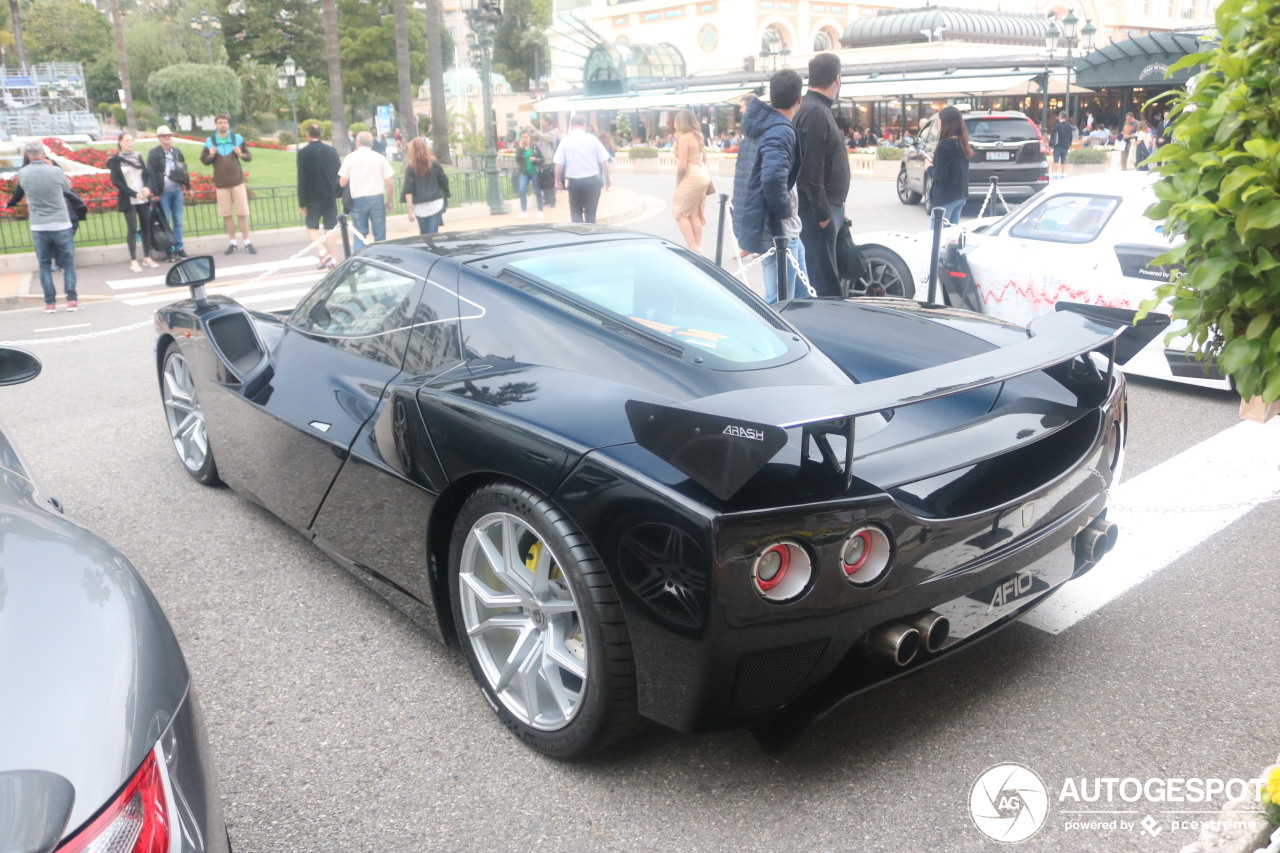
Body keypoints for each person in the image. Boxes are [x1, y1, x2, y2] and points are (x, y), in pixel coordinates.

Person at [732, 68, 807, 304]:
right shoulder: (780, 130)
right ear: (799, 99)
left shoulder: (761, 126)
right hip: (779, 230)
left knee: (801, 296)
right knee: (781, 301)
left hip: (779, 227)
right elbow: (772, 178)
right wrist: (785, 208)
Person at [793, 52, 850, 298]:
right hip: (817, 212)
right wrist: (825, 214)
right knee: (823, 283)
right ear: (837, 79)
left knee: (822, 277)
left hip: (825, 206)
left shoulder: (814, 108)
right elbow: (811, 170)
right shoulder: (815, 111)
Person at [16, 141, 77, 312]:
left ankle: (50, 303)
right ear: (42, 153)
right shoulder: (55, 171)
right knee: (68, 263)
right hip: (60, 222)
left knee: (44, 265)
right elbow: (68, 186)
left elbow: (22, 189)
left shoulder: (23, 173)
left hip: (39, 225)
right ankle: (71, 300)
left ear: (27, 155)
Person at [200, 115, 255, 255]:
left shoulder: (237, 139)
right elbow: (204, 160)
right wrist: (211, 155)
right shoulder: (210, 141)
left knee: (242, 213)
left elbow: (249, 157)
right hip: (221, 184)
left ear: (228, 124)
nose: (222, 125)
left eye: (224, 122)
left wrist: (240, 154)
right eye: (220, 123)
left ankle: (247, 241)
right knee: (227, 214)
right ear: (216, 125)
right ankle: (233, 242)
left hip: (237, 182)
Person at [108, 131, 159, 273]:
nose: (130, 143)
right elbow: (117, 182)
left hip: (142, 196)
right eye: (127, 141)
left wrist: (147, 187)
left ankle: (147, 256)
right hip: (129, 198)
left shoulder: (137, 156)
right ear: (120, 142)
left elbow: (147, 174)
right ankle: (133, 260)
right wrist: (133, 193)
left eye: (131, 140)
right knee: (132, 229)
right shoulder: (115, 160)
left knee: (146, 227)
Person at [296, 122, 342, 269]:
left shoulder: (303, 153)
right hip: (330, 195)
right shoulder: (332, 150)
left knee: (311, 227)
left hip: (312, 196)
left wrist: (301, 201)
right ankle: (332, 259)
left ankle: (323, 253)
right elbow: (338, 173)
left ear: (307, 135)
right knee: (330, 227)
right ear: (320, 134)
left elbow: (302, 179)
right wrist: (338, 192)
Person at [338, 130, 394, 250]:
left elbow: (342, 182)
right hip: (377, 198)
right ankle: (381, 259)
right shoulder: (379, 157)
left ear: (357, 142)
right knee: (380, 235)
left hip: (358, 199)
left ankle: (360, 262)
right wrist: (389, 201)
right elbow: (389, 182)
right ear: (371, 143)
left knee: (359, 235)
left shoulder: (350, 158)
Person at [553, 114, 612, 224]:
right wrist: (608, 180)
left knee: (576, 213)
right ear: (584, 125)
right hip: (592, 181)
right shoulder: (593, 139)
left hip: (575, 182)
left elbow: (558, 164)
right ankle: (590, 236)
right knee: (591, 215)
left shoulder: (566, 140)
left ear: (571, 125)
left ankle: (580, 236)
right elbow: (605, 162)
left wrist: (557, 181)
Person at [145, 125, 190, 262]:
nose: (167, 138)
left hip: (176, 189)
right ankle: (169, 249)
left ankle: (179, 247)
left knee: (178, 221)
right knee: (166, 222)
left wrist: (188, 186)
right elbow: (151, 173)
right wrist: (154, 192)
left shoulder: (176, 152)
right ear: (159, 138)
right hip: (163, 191)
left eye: (169, 136)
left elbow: (183, 169)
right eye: (164, 136)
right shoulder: (154, 153)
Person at [671, 109, 712, 253]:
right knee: (695, 214)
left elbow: (682, 165)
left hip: (691, 175)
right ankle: (698, 246)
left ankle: (693, 248)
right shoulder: (698, 136)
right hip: (702, 174)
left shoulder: (684, 138)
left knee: (680, 213)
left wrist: (678, 181)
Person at [924, 106, 971, 225]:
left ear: (946, 123)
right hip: (959, 195)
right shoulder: (962, 142)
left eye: (940, 121)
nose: (938, 124)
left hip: (945, 197)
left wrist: (928, 167)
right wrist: (936, 159)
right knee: (952, 235)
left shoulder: (944, 145)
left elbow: (940, 175)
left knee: (937, 236)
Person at [401, 136, 450, 234]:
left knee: (424, 234)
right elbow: (443, 180)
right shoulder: (434, 164)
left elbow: (408, 190)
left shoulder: (410, 169)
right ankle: (434, 249)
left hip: (419, 207)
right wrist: (445, 194)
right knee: (433, 232)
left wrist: (410, 210)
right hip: (436, 203)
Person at [531, 116, 560, 208]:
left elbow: (545, 138)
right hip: (541, 160)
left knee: (550, 181)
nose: (541, 122)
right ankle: (546, 199)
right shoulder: (541, 132)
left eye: (542, 121)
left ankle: (552, 200)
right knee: (543, 180)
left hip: (549, 160)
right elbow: (535, 137)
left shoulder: (552, 132)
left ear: (547, 122)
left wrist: (535, 129)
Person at [513, 131, 543, 219]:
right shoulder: (520, 148)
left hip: (534, 171)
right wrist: (521, 148)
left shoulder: (534, 146)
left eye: (526, 137)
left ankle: (540, 210)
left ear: (529, 137)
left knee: (537, 191)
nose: (524, 139)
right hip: (524, 172)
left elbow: (542, 158)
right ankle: (523, 211)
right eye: (522, 137)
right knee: (522, 189)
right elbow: (517, 159)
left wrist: (536, 159)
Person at [1049, 112, 1074, 178]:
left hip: (1057, 145)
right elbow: (1070, 136)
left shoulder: (1057, 125)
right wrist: (1070, 144)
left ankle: (1055, 174)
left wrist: (1051, 145)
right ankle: (1063, 174)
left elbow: (1053, 135)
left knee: (1056, 160)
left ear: (1060, 116)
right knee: (1063, 160)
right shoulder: (1068, 126)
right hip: (1065, 145)